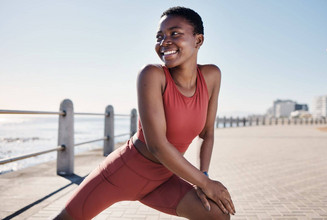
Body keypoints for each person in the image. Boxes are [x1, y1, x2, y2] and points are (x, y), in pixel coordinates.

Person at [55, 6, 235, 220]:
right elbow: (157, 146)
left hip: (163, 180)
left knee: (217, 214)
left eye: (174, 33)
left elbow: (207, 133)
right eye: (160, 36)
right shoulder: (151, 75)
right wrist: (204, 183)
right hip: (123, 174)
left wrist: (203, 177)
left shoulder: (212, 76)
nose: (164, 42)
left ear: (198, 40)